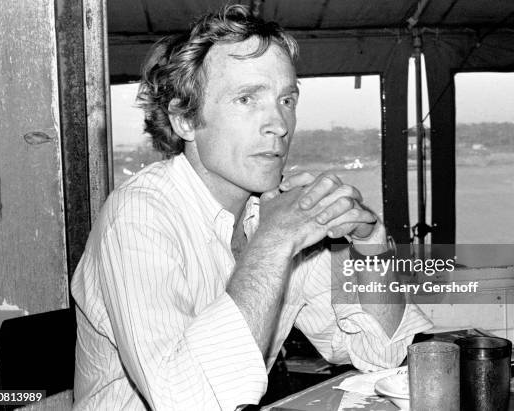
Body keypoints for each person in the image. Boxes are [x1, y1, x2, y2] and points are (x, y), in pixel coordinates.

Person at [71, 5, 432, 410]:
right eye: (246, 98)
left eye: (287, 99)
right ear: (185, 121)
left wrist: (371, 245)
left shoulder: (274, 210)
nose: (279, 123)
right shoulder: (138, 216)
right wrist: (274, 242)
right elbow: (185, 402)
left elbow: (381, 352)